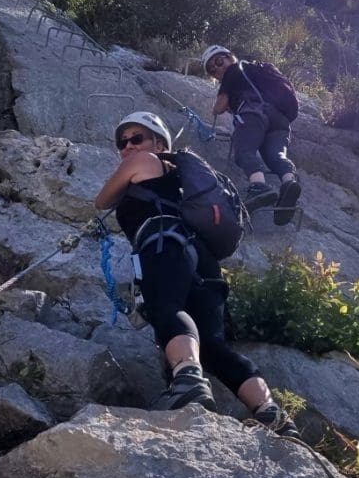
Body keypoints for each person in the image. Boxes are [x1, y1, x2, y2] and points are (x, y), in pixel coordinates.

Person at [94, 111, 300, 438]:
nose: (127, 146)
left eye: (136, 138)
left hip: (163, 244)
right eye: (123, 142)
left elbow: (102, 199)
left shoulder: (145, 161)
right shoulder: (182, 182)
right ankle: (273, 415)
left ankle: (188, 380)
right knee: (214, 347)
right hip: (202, 259)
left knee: (165, 307)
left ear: (159, 144)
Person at [203, 45, 301, 225]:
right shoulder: (258, 69)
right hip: (281, 121)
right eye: (212, 70)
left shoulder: (233, 71)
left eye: (218, 61)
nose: (217, 69)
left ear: (230, 57)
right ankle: (289, 182)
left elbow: (220, 106)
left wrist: (216, 108)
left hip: (254, 113)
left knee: (244, 150)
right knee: (275, 156)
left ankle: (259, 187)